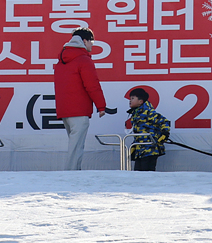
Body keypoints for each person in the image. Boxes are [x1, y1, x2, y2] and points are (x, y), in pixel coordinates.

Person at [53, 29, 113, 171]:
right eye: (91, 42)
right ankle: (71, 174)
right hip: (79, 110)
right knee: (76, 147)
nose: (92, 46)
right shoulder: (83, 60)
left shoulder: (61, 61)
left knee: (74, 144)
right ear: (84, 41)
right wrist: (101, 106)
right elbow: (92, 85)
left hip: (65, 110)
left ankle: (73, 172)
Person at [124, 87, 170, 171]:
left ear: (140, 101)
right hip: (140, 150)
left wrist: (164, 134)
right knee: (137, 173)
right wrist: (134, 145)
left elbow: (165, 122)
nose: (130, 101)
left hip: (150, 149)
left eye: (132, 98)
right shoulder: (136, 114)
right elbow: (139, 133)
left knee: (147, 173)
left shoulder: (148, 112)